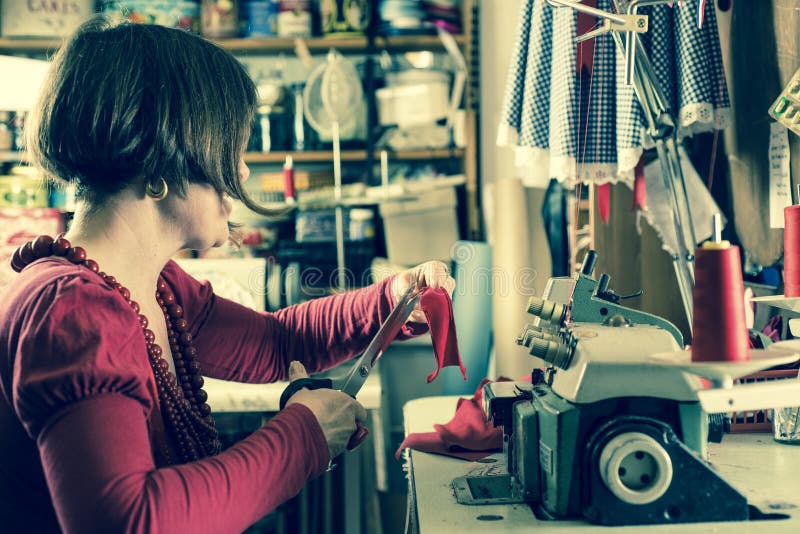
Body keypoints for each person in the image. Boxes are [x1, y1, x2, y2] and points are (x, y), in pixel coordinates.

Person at [0, 17, 455, 533]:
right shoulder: (74, 310)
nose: (240, 172)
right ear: (159, 160)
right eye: (228, 147)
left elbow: (276, 342)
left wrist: (392, 301)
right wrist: (302, 436)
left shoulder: (154, 286)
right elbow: (130, 521)